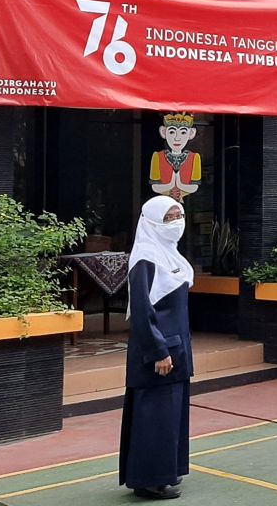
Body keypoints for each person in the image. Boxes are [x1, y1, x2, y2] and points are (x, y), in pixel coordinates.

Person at [120, 196, 193, 500]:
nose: (176, 223)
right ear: (151, 222)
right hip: (159, 352)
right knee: (154, 415)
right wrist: (157, 351)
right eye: (168, 218)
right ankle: (149, 480)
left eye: (179, 216)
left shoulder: (169, 254)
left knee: (169, 414)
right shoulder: (146, 258)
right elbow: (141, 310)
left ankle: (164, 472)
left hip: (176, 348)